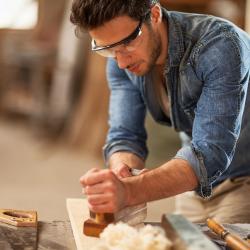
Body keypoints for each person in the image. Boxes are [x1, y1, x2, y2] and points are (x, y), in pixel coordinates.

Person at [70, 0, 250, 223]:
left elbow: (210, 153)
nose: (121, 62)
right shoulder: (120, 59)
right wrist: (121, 173)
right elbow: (125, 135)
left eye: (127, 43)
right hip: (193, 186)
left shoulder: (220, 45)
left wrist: (130, 191)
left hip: (244, 181)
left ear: (154, 15)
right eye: (108, 50)